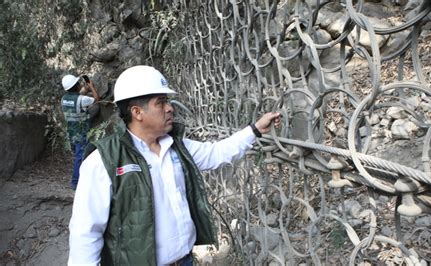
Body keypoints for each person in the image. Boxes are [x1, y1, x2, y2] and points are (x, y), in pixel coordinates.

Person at [67, 65, 281, 266]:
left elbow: (216, 153)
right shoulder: (104, 161)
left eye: (168, 101)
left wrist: (255, 130)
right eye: (160, 102)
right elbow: (86, 233)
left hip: (185, 260)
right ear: (137, 112)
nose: (170, 108)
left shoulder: (177, 147)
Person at [61, 74, 100, 190]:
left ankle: (81, 179)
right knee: (80, 156)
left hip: (71, 132)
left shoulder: (64, 99)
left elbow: (77, 99)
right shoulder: (82, 100)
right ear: (77, 86)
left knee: (79, 155)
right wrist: (92, 87)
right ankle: (75, 182)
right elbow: (97, 100)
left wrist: (84, 90)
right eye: (78, 84)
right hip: (81, 132)